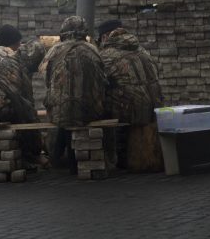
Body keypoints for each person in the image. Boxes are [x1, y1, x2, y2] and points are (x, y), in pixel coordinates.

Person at [39, 16, 107, 171]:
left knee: (64, 113)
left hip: (59, 113)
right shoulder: (93, 50)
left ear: (63, 32)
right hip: (88, 112)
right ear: (84, 32)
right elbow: (102, 81)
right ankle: (76, 160)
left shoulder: (53, 51)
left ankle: (56, 158)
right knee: (74, 113)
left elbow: (46, 80)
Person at [98, 19, 164, 171]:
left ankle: (109, 157)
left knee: (97, 110)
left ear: (105, 37)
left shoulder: (107, 55)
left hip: (131, 109)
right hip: (156, 106)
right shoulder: (143, 50)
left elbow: (98, 82)